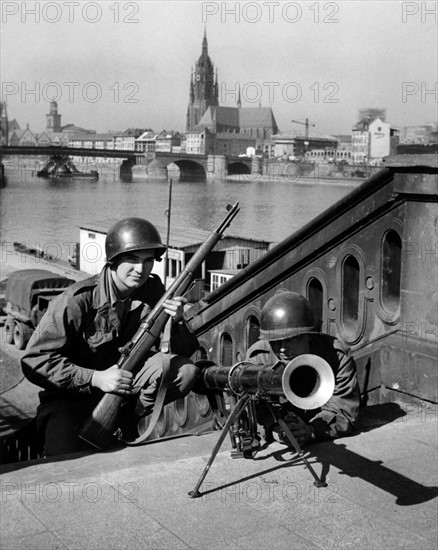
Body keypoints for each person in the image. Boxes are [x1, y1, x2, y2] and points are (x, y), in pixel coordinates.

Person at [21, 217, 199, 456]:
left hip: (125, 391)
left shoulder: (154, 291)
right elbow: (34, 361)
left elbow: (186, 350)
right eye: (132, 260)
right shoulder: (77, 300)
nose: (141, 269)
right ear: (113, 260)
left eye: (148, 261)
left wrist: (175, 321)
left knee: (185, 371)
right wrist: (95, 378)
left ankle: (126, 419)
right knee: (64, 463)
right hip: (71, 396)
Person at [246, 290, 360, 448]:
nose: (283, 349)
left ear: (309, 335)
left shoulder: (336, 357)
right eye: (275, 341)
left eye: (292, 339)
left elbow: (344, 410)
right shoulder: (258, 358)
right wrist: (274, 429)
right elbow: (252, 409)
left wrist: (312, 430)